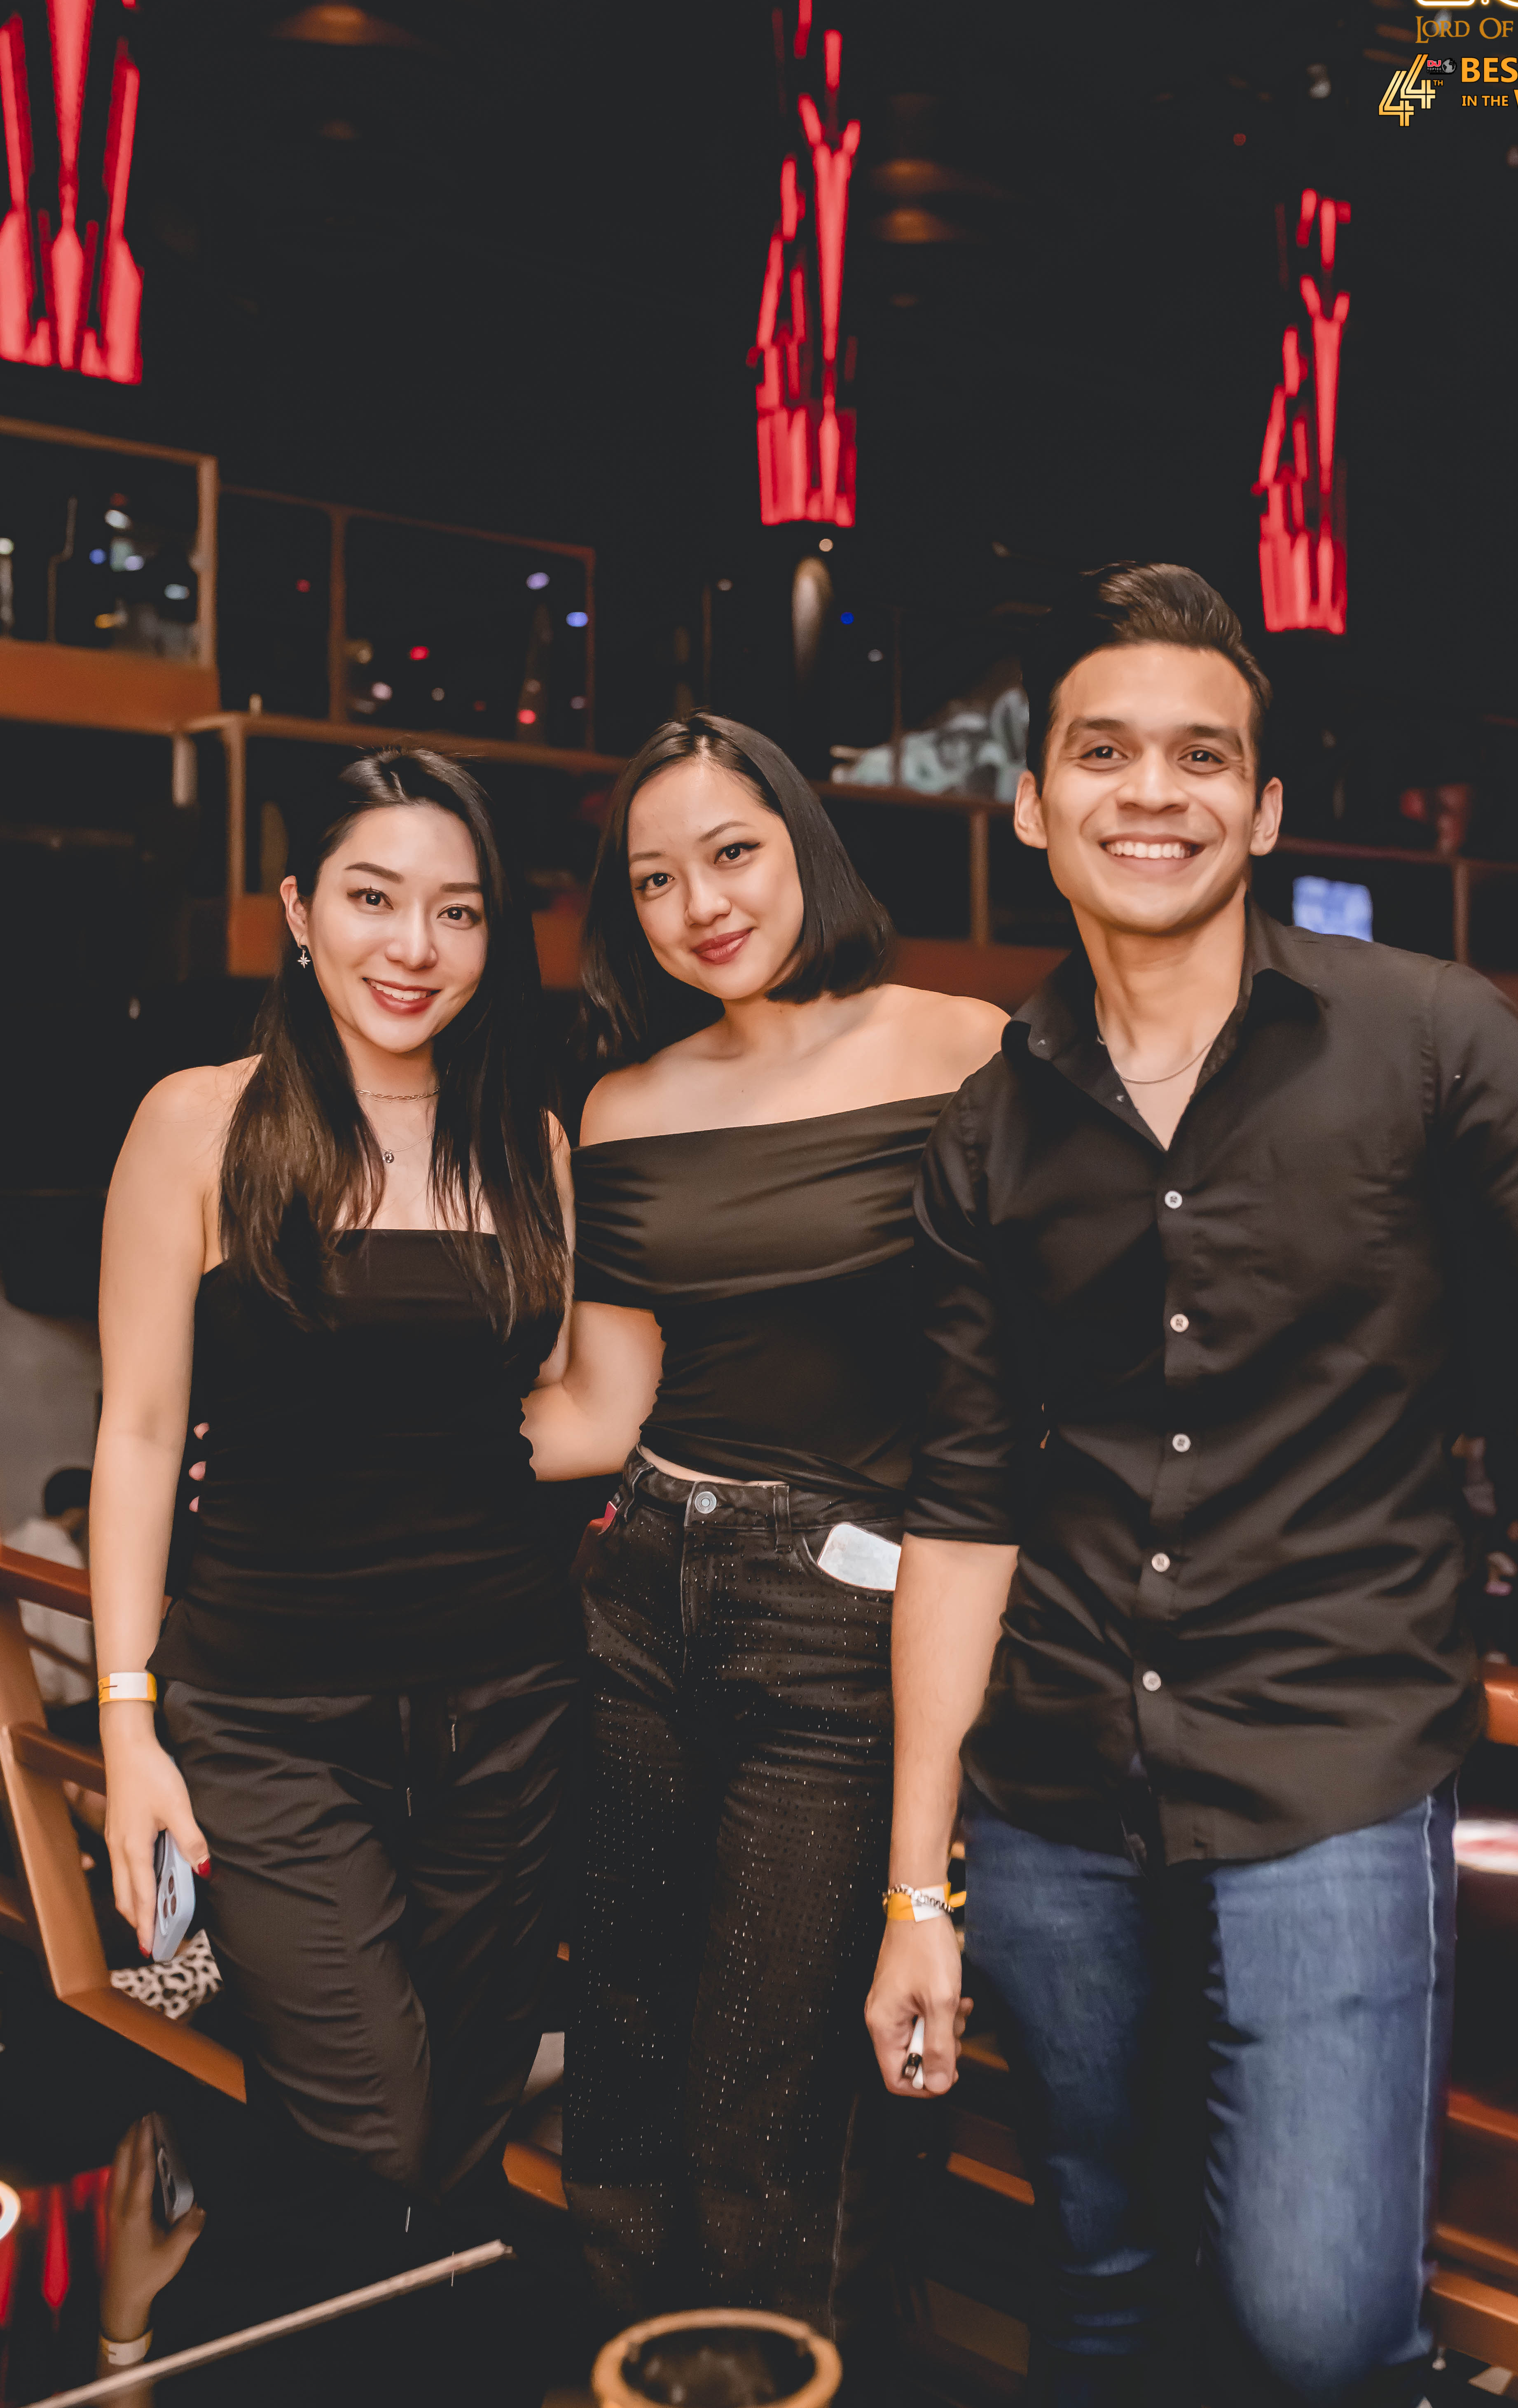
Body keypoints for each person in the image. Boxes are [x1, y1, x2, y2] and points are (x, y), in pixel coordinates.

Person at [863, 561, 1518, 2407]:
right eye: (1103, 752)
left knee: (1320, 2322)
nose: (1151, 790)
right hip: (1052, 1787)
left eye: (1201, 755)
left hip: (1333, 1763)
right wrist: (919, 1885)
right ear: (1032, 801)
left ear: (1261, 808)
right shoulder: (992, 1120)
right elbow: (963, 1503)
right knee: (1096, 2266)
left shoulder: (1435, 1035)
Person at [521, 712, 1005, 2357]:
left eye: (731, 852)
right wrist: (353, 1430)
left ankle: (767, 2382)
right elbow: (600, 1408)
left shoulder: (962, 1047)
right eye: (655, 879)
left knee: (767, 2083)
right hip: (641, 1583)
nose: (699, 904)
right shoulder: (624, 1102)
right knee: (624, 2053)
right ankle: (639, 2372)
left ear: (806, 844)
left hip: (841, 1611)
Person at [91, 748, 573, 2240]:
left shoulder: (531, 1145)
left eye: (459, 910)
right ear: (300, 911)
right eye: (374, 897)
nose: (415, 946)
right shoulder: (197, 1124)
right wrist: (128, 1726)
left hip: (508, 1711)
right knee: (377, 2124)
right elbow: (139, 1431)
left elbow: (555, 1409)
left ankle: (399, 2340)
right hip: (268, 1719)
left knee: (469, 2127)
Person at [11, 1464, 95, 1724]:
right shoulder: (64, 1556)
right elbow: (70, 1637)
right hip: (57, 1695)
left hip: (15, 1682)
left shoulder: (13, 1542)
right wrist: (84, 1696)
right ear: (81, 1510)